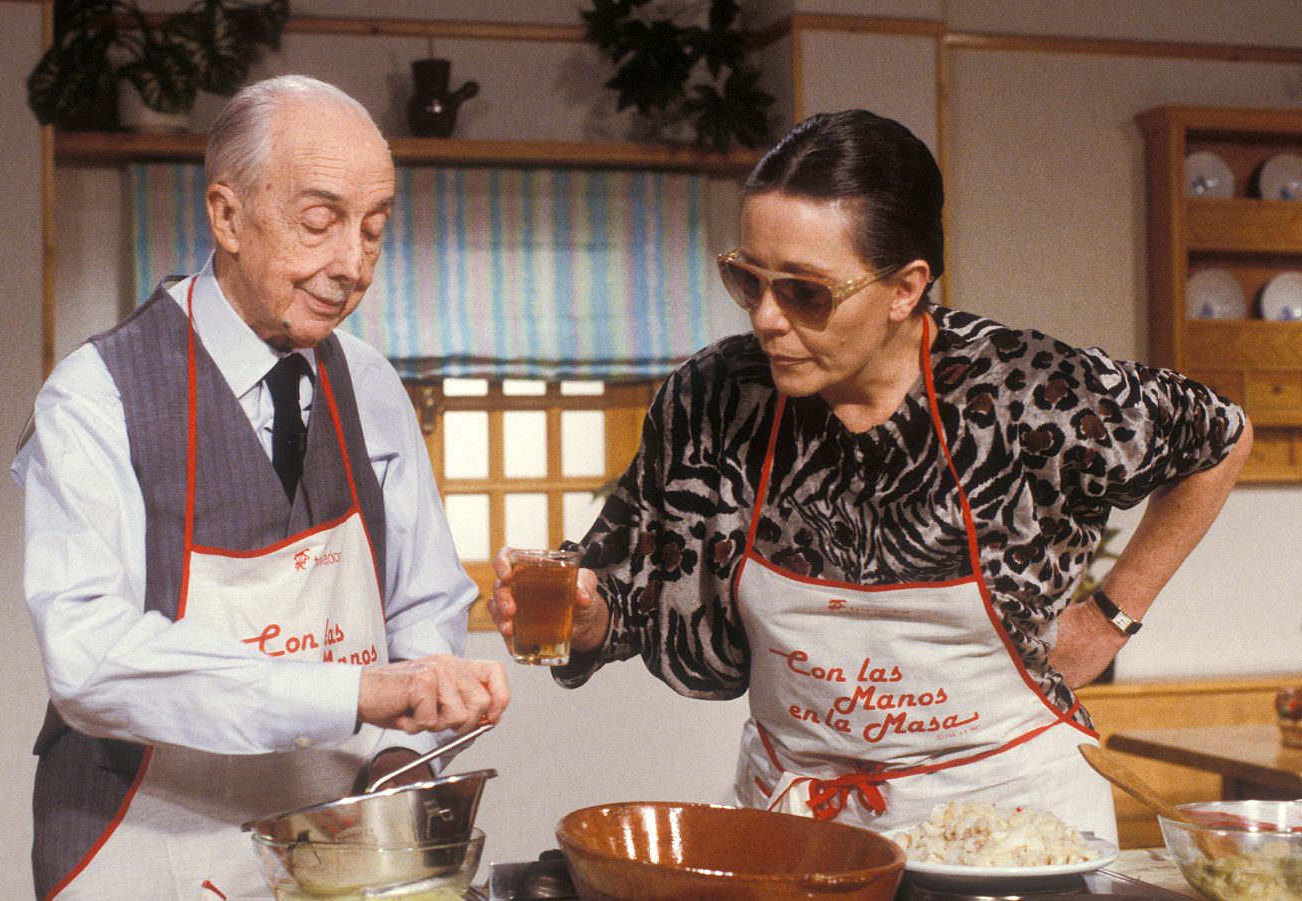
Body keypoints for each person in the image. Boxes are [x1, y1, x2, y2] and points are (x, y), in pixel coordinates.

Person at [489, 109, 1250, 841]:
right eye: (749, 280)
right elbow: (628, 592)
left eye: (804, 292)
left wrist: (1109, 616)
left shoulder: (1022, 392)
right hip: (803, 827)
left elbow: (1221, 437)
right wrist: (585, 619)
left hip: (1015, 826)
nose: (765, 318)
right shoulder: (717, 398)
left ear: (905, 288)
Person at [12, 75, 508, 901]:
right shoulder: (97, 395)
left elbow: (425, 606)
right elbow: (90, 658)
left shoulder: (373, 385)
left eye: (374, 230)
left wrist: (407, 746)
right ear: (228, 216)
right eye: (320, 222)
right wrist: (361, 692)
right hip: (143, 843)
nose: (351, 264)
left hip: (339, 839)